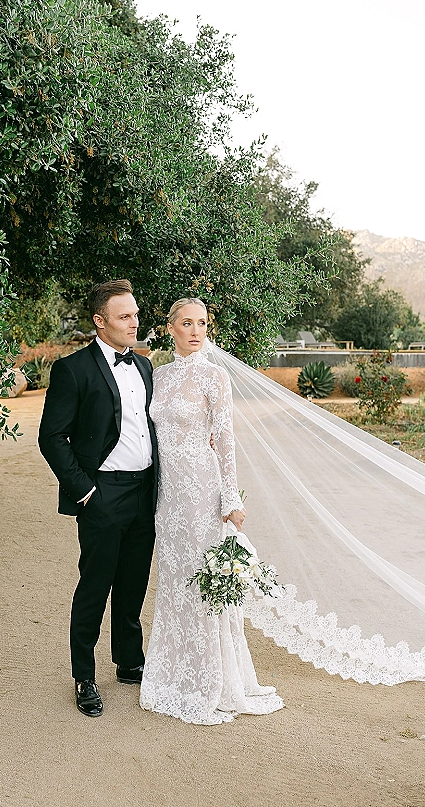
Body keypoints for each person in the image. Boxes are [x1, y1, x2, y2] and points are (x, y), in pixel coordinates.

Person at [140, 298, 284, 724]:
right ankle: (172, 671)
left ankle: (212, 677)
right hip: (167, 497)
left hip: (202, 493)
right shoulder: (158, 376)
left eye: (202, 323)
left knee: (204, 581)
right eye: (186, 323)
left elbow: (225, 440)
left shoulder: (215, 377)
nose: (196, 331)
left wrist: (230, 499)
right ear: (170, 328)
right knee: (174, 580)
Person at [38, 279, 157, 717]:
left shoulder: (144, 367)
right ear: (99, 321)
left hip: (144, 492)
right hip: (102, 493)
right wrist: (86, 491)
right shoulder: (73, 370)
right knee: (95, 585)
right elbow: (51, 437)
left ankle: (129, 662)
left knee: (133, 582)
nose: (134, 322)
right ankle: (84, 676)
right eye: (125, 316)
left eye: (136, 314)